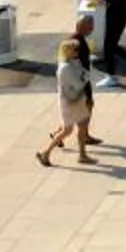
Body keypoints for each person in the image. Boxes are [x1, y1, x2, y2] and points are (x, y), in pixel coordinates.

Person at [38, 36, 98, 166]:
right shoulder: (65, 68)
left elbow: (84, 74)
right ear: (69, 51)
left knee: (78, 127)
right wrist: (84, 77)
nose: (78, 52)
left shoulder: (73, 62)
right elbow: (79, 82)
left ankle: (81, 155)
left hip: (76, 100)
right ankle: (46, 152)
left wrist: (84, 76)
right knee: (68, 130)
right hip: (71, 102)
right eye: (75, 49)